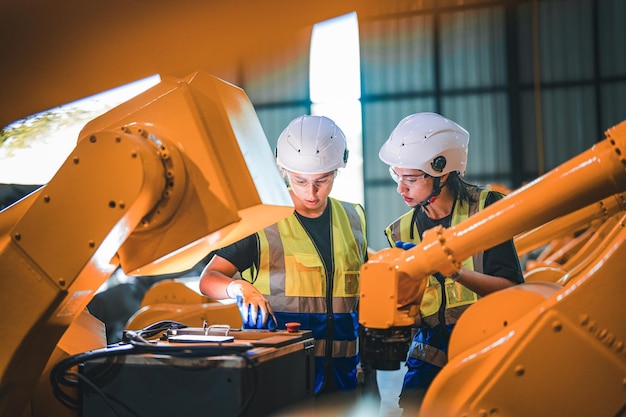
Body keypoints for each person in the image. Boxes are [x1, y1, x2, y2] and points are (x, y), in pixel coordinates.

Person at [199, 115, 369, 397]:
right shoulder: (262, 221)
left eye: (322, 180)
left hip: (342, 375)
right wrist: (239, 287)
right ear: (284, 171)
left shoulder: (354, 218)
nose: (311, 192)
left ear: (338, 170)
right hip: (280, 375)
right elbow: (208, 280)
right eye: (300, 181)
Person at [377, 112, 524, 410]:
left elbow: (511, 290)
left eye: (410, 179)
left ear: (442, 172)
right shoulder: (400, 231)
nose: (400, 188)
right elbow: (414, 313)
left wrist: (455, 273)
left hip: (484, 343)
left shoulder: (485, 209)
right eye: (397, 176)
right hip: (429, 348)